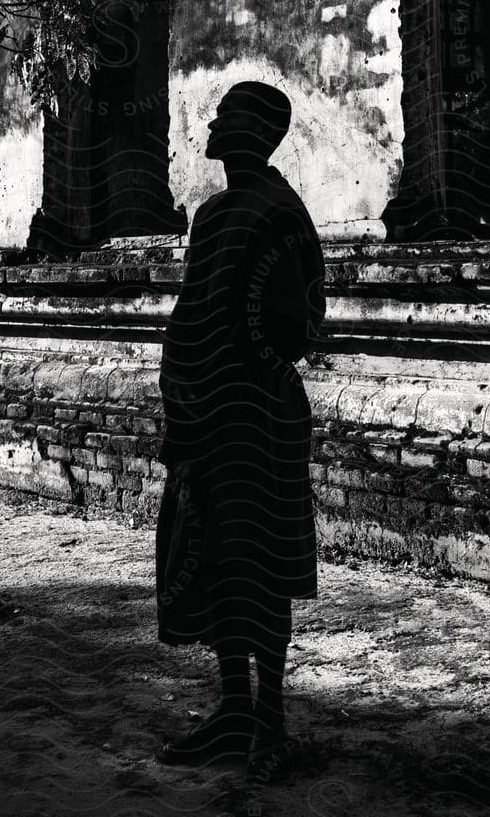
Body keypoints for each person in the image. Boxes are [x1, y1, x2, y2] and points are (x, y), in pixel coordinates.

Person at [154, 80, 326, 769]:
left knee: (258, 562)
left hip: (249, 410)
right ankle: (238, 712)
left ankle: (269, 722)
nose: (215, 123)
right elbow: (198, 311)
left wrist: (222, 375)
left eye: (229, 114)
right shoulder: (216, 214)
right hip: (222, 407)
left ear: (256, 131)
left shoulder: (273, 213)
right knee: (228, 560)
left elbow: (295, 319)